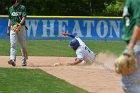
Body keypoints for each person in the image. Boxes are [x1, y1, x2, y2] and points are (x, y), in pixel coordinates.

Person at [121, 0, 140, 92]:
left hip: (136, 43)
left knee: (128, 84)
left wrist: (131, 46)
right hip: (135, 43)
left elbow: (139, 22)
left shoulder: (134, 1)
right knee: (136, 82)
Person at [6, 0, 28, 66]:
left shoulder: (22, 7)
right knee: (13, 44)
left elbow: (24, 17)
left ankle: (24, 59)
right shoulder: (10, 8)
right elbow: (10, 19)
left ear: (16, 1)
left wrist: (20, 24)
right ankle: (12, 59)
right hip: (13, 28)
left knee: (23, 45)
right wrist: (8, 28)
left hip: (21, 27)